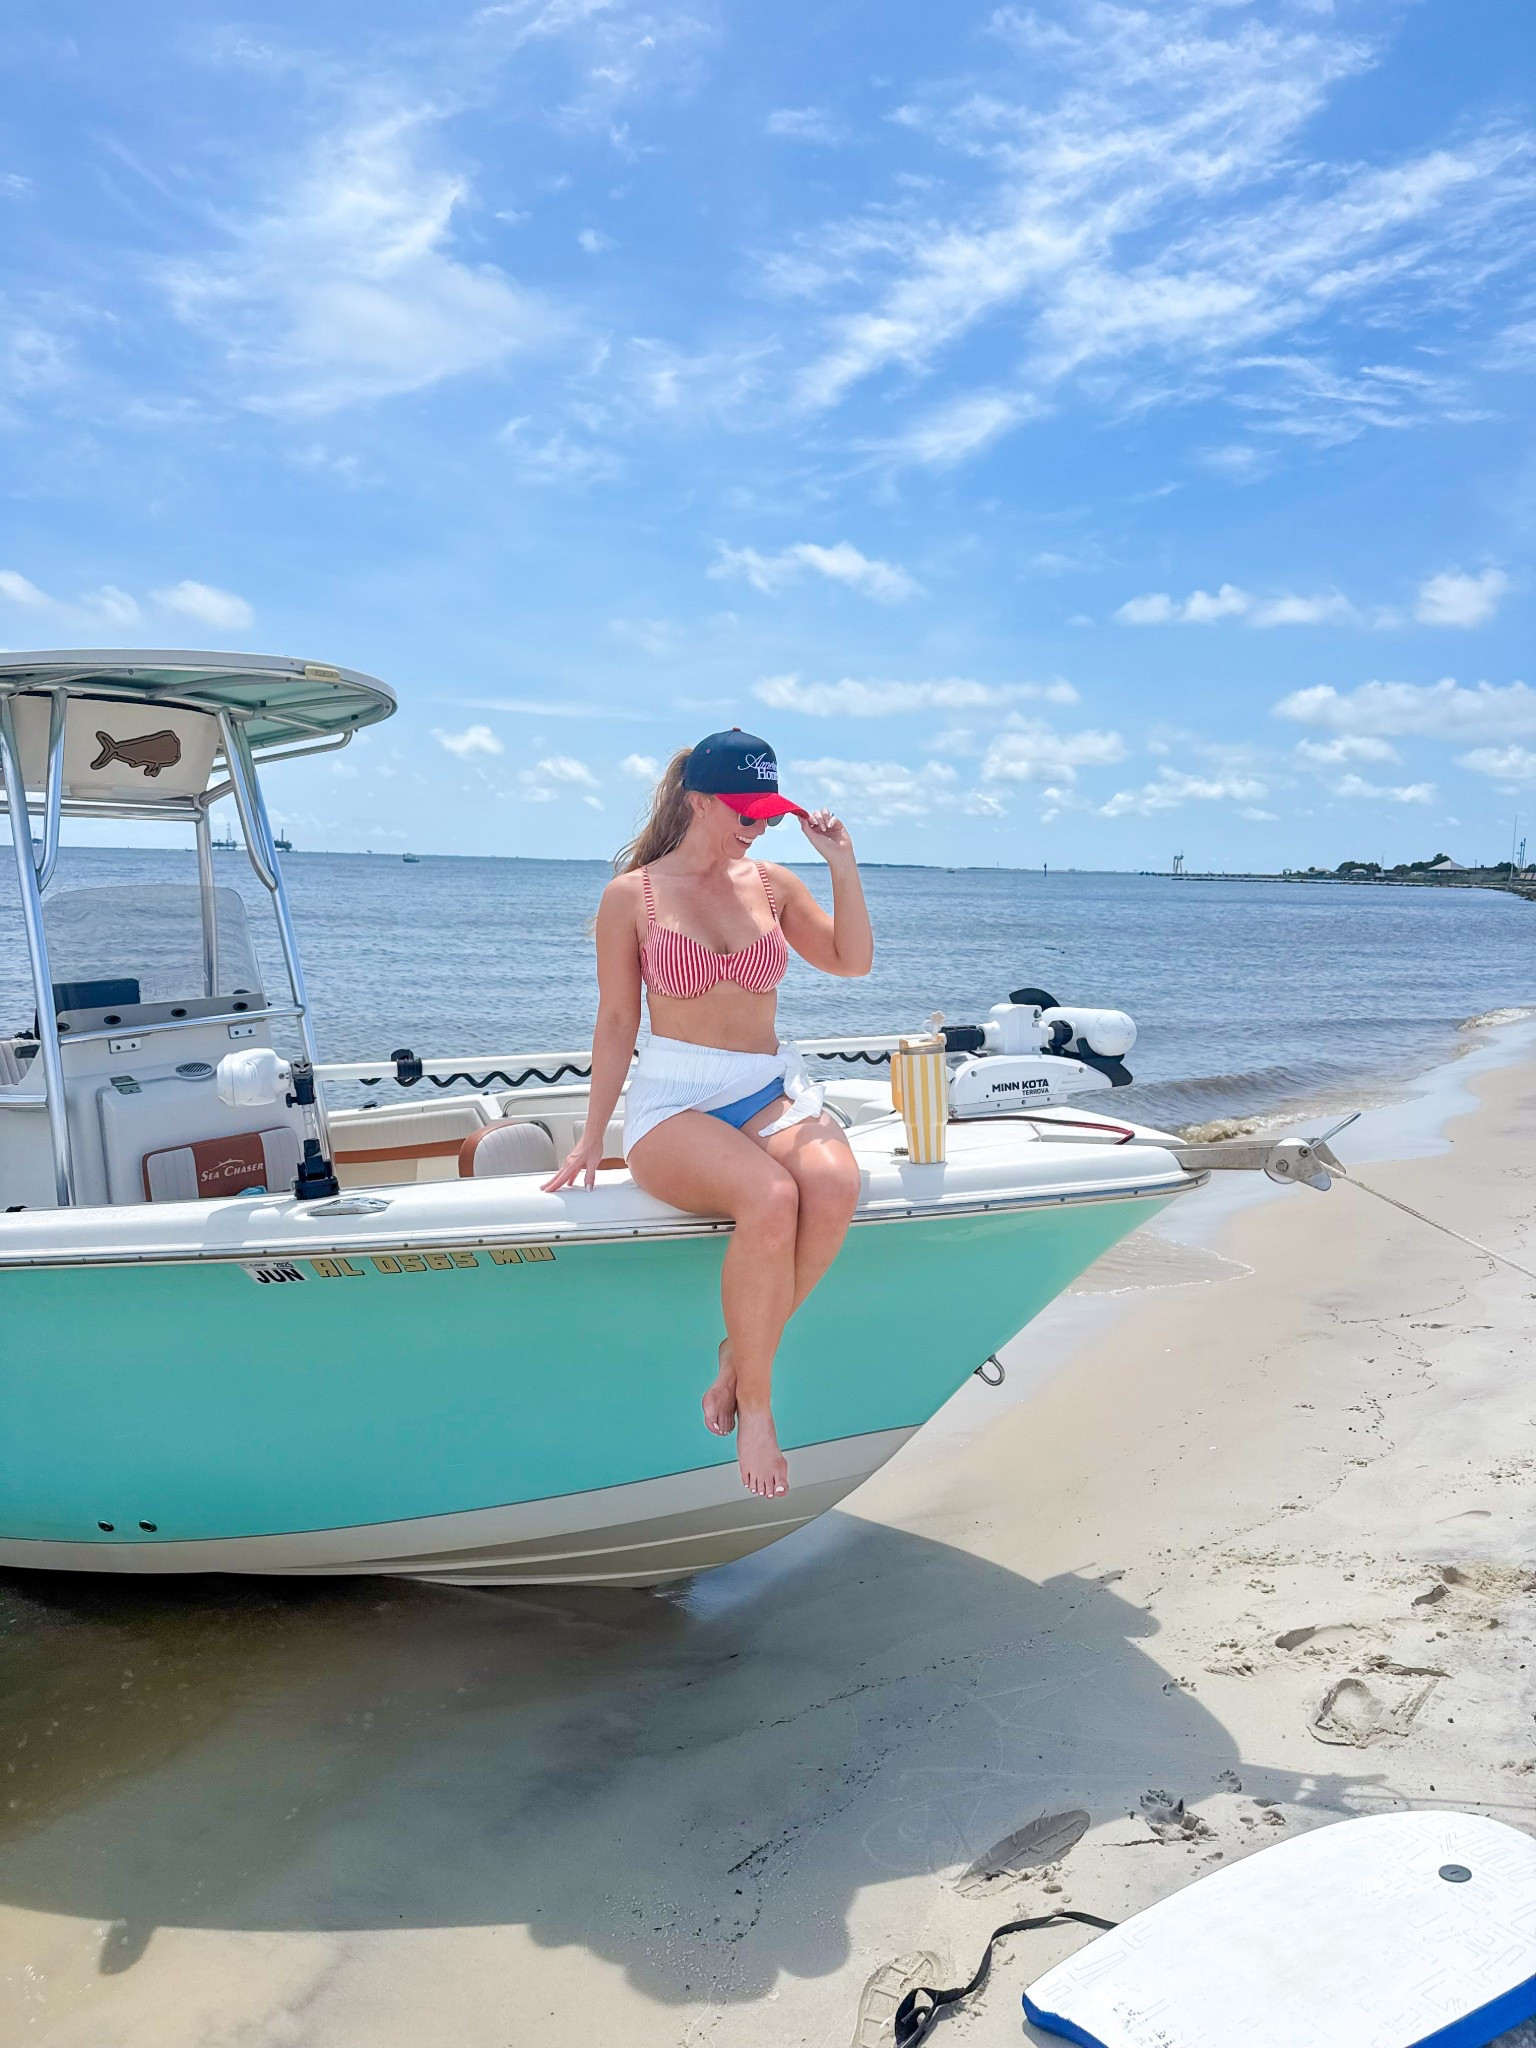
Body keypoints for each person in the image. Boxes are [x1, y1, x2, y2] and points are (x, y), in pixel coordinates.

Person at [543, 730, 874, 1499]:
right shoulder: (634, 896)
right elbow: (618, 1021)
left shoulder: (774, 883)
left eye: (767, 815)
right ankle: (758, 1407)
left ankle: (738, 1356)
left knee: (833, 1185)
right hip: (674, 1101)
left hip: (765, 1086)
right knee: (770, 1198)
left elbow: (852, 962)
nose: (756, 827)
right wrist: (594, 1135)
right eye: (744, 811)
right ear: (698, 799)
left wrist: (843, 866)